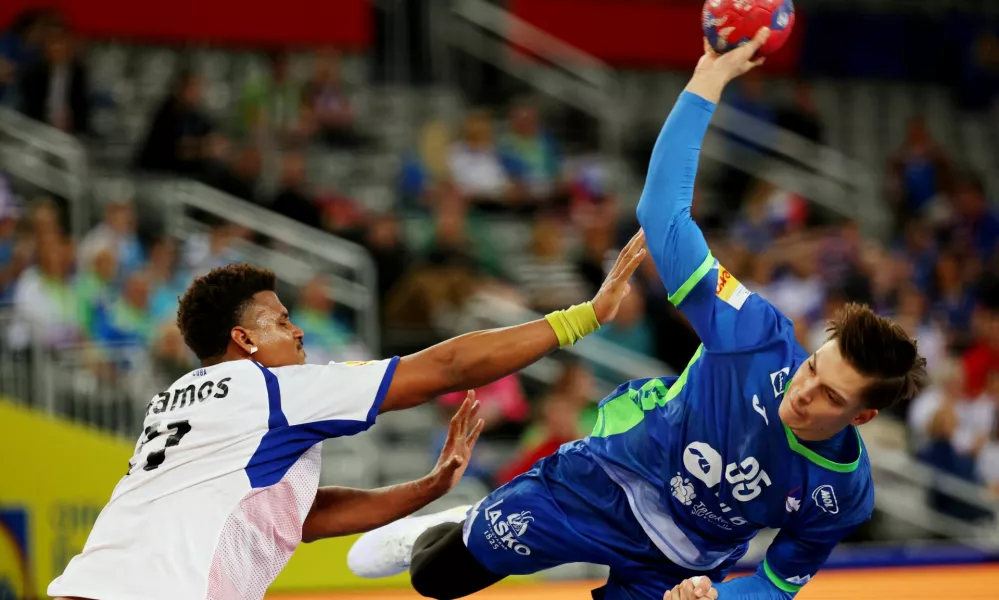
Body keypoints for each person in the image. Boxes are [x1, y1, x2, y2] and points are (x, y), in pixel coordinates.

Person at [347, 30, 929, 600]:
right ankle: (457, 520)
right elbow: (661, 212)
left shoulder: (844, 494)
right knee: (436, 581)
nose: (804, 392)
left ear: (863, 415)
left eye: (831, 396)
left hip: (679, 564)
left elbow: (776, 585)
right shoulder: (755, 337)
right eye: (812, 370)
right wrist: (709, 78)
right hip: (605, 480)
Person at [48, 229, 646, 600]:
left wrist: (427, 488)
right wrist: (583, 317)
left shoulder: (172, 401)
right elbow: (448, 367)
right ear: (244, 339)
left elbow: (294, 517)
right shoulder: (273, 390)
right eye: (280, 321)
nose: (297, 328)